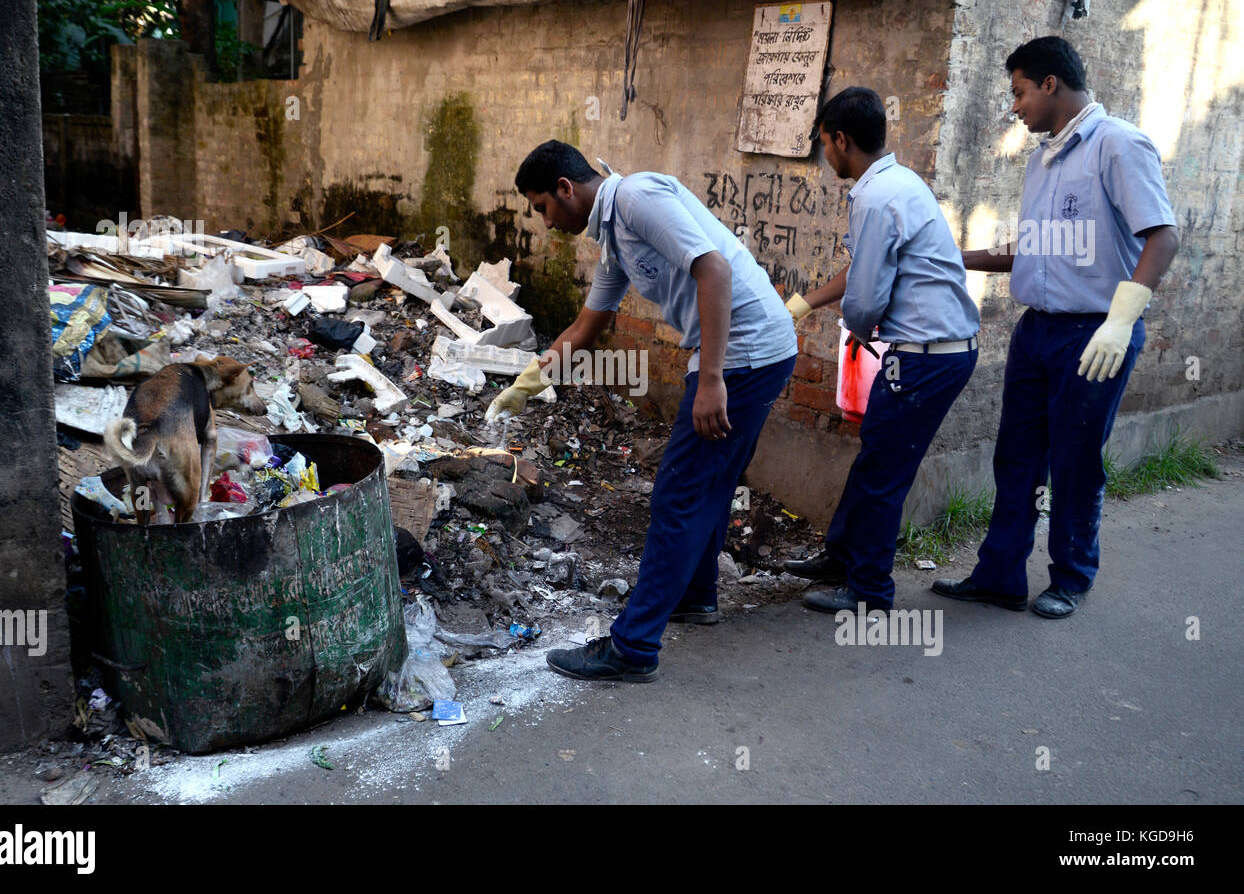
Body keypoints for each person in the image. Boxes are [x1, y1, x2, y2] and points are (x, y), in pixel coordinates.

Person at [490, 140, 797, 681]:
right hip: (751, 352)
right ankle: (697, 596)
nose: (545, 221)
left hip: (746, 355)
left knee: (678, 494)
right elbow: (589, 326)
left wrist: (710, 378)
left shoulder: (635, 198)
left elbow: (715, 271)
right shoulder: (613, 237)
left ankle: (633, 646)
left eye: (542, 207)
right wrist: (528, 383)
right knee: (711, 483)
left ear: (566, 189)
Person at [931, 36, 1178, 618]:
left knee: (1075, 460)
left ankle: (1071, 577)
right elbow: (1036, 249)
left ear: (1050, 84)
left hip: (1095, 334)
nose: (1014, 107)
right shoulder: (1045, 158)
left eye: (1018, 92)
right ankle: (999, 575)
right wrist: (956, 256)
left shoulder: (1117, 145)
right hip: (1037, 331)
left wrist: (1121, 321)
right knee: (1016, 457)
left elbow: (1163, 236)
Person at [780, 87, 981, 614]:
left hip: (926, 355)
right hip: (936, 350)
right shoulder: (897, 182)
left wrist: (857, 330)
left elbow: (866, 297)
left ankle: (869, 590)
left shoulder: (874, 196)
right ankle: (841, 557)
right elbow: (861, 271)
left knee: (883, 471)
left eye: (825, 143)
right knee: (875, 459)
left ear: (842, 140)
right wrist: (803, 304)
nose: (825, 155)